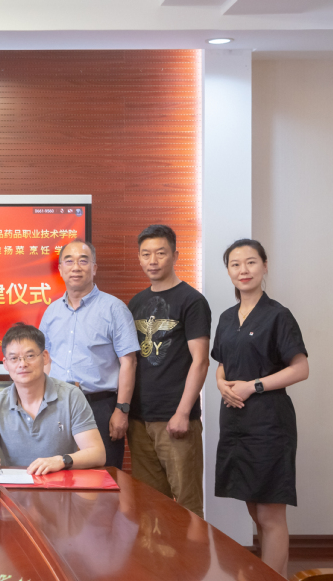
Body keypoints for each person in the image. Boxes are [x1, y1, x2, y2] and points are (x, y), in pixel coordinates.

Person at [212, 239, 309, 576]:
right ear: (228, 271)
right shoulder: (226, 317)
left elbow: (300, 368)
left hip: (269, 424)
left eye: (251, 262)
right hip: (235, 422)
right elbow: (222, 364)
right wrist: (221, 383)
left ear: (264, 266)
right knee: (254, 509)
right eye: (235, 264)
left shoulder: (278, 315)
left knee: (270, 514)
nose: (244, 270)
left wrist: (253, 386)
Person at [126, 225, 210, 517]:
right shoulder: (136, 302)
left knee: (187, 506)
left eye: (160, 253)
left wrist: (183, 412)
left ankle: (193, 552)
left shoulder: (192, 300)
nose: (153, 260)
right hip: (139, 419)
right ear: (139, 258)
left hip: (175, 418)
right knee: (149, 507)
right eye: (146, 254)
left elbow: (200, 361)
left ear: (175, 255)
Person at [38, 239, 139, 469]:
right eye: (69, 261)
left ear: (94, 268)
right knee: (56, 472)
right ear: (60, 269)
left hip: (99, 407)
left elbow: (129, 363)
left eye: (83, 261)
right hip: (56, 405)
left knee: (103, 474)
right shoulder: (52, 311)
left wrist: (122, 410)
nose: (76, 267)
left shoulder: (114, 308)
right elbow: (45, 360)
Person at [0, 323, 105, 474]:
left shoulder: (71, 396)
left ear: (45, 357)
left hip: (60, 484)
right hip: (14, 485)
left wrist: (61, 461)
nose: (22, 364)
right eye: (14, 358)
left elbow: (97, 453)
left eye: (30, 356)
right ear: (5, 364)